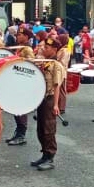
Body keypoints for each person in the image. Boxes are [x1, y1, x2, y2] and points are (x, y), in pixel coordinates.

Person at [30, 37, 65, 171]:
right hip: (42, 98)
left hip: (50, 98)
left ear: (55, 50)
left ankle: (50, 157)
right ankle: (44, 154)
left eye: (47, 48)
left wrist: (56, 104)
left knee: (48, 129)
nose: (44, 49)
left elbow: (57, 86)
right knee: (40, 128)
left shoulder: (56, 65)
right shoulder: (46, 63)